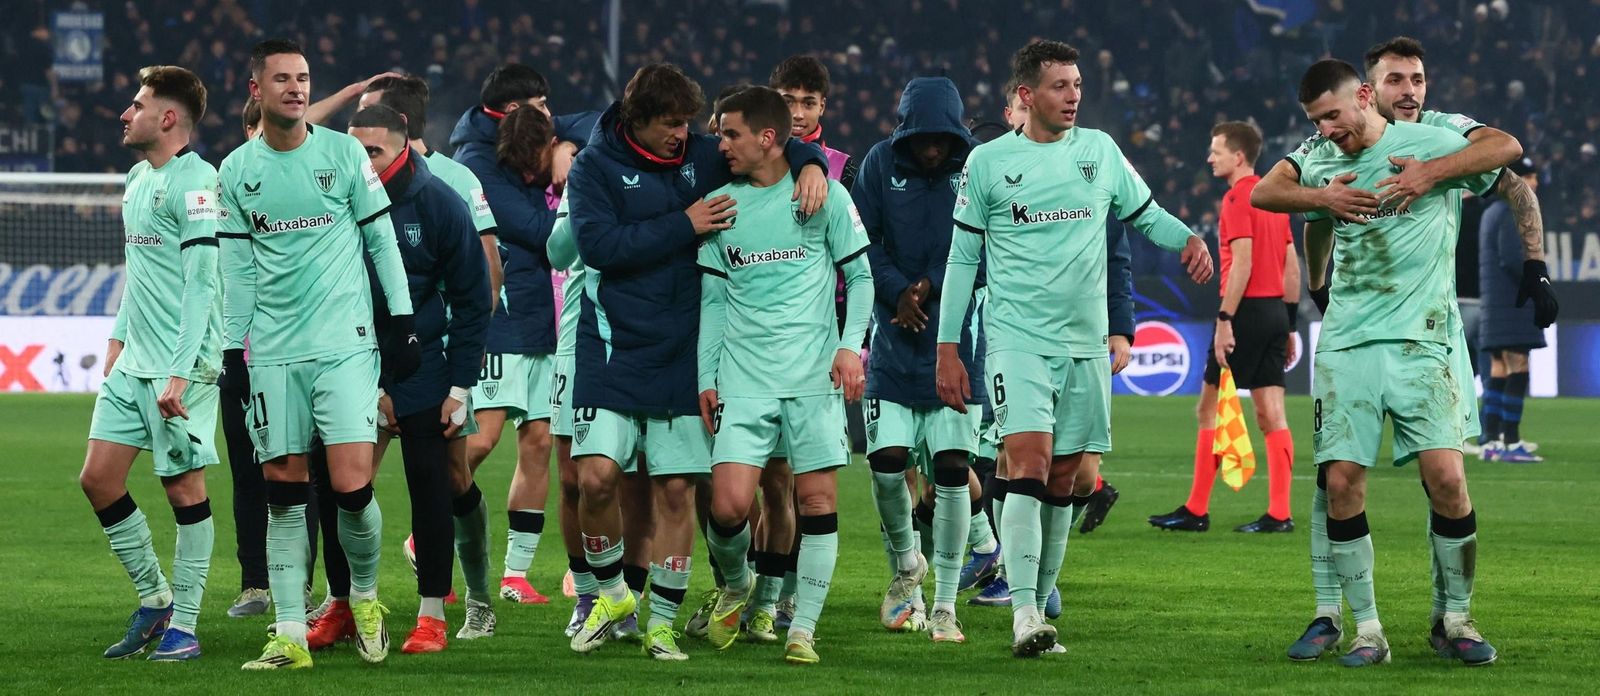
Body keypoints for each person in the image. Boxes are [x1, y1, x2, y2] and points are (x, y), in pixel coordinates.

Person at [1253, 36, 1557, 664]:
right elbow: (1268, 195)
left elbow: (1509, 155)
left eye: (1333, 116)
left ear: (1362, 99)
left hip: (1426, 338)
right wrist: (1323, 217)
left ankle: (1456, 619)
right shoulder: (1317, 155)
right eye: (1399, 78)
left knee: (1447, 477)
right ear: (1375, 85)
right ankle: (1363, 629)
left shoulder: (1442, 140)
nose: (1327, 129)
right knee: (1339, 481)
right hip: (1350, 339)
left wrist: (1431, 177)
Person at [936, 40, 1213, 657]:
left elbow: (1146, 214)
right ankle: (1025, 613)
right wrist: (947, 347)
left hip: (1084, 344)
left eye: (1079, 85)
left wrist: (1188, 238)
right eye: (1061, 86)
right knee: (1028, 463)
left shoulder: (1100, 152)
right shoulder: (987, 164)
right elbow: (961, 260)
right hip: (1017, 341)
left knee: (1067, 478)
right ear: (1027, 95)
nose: (1074, 96)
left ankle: (1043, 594)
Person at [563, 63, 829, 660]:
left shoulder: (702, 154)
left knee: (679, 490)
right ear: (635, 121)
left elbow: (770, 148)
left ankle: (659, 624)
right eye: (669, 125)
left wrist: (812, 166)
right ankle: (611, 594)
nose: (682, 136)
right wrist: (683, 224)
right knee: (595, 478)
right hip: (611, 345)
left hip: (685, 350)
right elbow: (598, 248)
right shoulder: (594, 168)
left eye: (687, 123)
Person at [219, 38, 420, 670]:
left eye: (303, 78)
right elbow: (238, 270)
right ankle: (287, 632)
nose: (296, 88)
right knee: (283, 490)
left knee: (351, 486)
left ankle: (362, 597)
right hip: (275, 353)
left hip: (345, 348)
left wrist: (404, 318)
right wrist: (231, 347)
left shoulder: (341, 155)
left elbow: (381, 239)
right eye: (281, 79)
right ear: (258, 90)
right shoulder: (235, 172)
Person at [698, 85, 873, 665]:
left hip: (812, 378)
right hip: (744, 379)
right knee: (727, 507)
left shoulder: (825, 198)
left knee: (817, 501)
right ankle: (737, 583)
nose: (720, 143)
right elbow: (715, 303)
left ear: (767, 139)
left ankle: (804, 629)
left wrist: (851, 347)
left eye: (730, 133)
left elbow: (863, 279)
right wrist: (707, 376)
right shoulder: (720, 204)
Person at [85, 65, 220, 662]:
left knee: (183, 487)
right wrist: (117, 339)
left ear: (167, 118)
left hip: (180, 365)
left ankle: (185, 626)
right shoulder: (138, 178)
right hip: (134, 360)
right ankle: (155, 598)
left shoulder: (198, 183)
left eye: (136, 104)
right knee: (98, 480)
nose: (125, 112)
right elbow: (141, 275)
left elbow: (201, 284)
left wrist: (181, 370)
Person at [346, 104, 492, 651]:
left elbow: (474, 301)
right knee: (340, 486)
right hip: (350, 360)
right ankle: (344, 603)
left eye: (373, 152)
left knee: (430, 484)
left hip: (422, 363)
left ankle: (432, 615)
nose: (361, 164)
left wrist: (459, 388)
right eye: (353, 151)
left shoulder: (439, 204)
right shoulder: (337, 199)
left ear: (404, 146)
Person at [852, 76, 983, 643]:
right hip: (893, 344)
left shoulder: (976, 164)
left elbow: (982, 244)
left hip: (954, 344)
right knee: (886, 466)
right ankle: (907, 567)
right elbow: (861, 239)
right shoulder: (881, 163)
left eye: (942, 138)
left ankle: (947, 605)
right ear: (906, 130)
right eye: (923, 138)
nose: (932, 148)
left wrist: (928, 284)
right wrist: (898, 290)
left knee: (953, 471)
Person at [447, 64, 583, 605]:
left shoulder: (542, 140)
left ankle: (514, 575)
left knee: (540, 443)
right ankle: (428, 534)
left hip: (544, 323)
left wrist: (570, 144)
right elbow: (539, 234)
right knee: (479, 440)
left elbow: (602, 119)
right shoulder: (477, 164)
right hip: (500, 319)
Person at [1149, 121, 1300, 534]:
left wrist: (1224, 319)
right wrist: (1288, 325)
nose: (1209, 158)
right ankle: (1280, 514)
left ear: (1238, 157)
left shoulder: (1238, 197)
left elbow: (1243, 264)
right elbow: (1290, 265)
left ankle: (1196, 509)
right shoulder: (1276, 198)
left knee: (1208, 408)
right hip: (1273, 312)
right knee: (1272, 413)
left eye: (1216, 151)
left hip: (1245, 312)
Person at [224, 95, 324, 620]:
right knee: (246, 474)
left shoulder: (303, 199)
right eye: (251, 130)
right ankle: (254, 583)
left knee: (296, 474)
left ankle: (301, 585)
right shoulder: (229, 192)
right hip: (239, 358)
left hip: (294, 357)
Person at [1477, 156, 1548, 463]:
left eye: (1533, 176)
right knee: (1518, 368)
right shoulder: (1510, 211)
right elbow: (1512, 258)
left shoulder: (1492, 211)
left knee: (1499, 370)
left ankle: (1491, 441)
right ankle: (1512, 441)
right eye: (1527, 176)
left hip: (1496, 304)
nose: (1533, 182)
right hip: (1512, 304)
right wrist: (1539, 284)